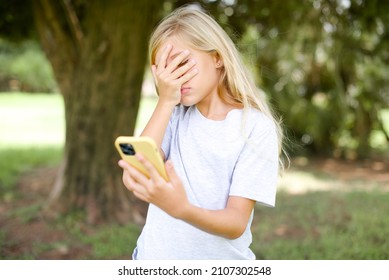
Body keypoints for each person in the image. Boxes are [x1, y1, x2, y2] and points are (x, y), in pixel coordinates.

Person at [118, 5, 284, 260]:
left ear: (217, 57)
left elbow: (236, 223)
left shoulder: (254, 128)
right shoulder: (173, 114)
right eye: (166, 70)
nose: (176, 78)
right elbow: (137, 170)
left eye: (183, 64)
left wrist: (182, 209)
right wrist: (164, 101)